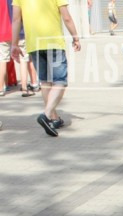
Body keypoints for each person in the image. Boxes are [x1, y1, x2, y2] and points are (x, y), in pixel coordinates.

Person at [11, 0, 82, 136]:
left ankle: (54, 119)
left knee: (45, 82)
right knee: (60, 81)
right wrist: (76, 38)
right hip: (53, 42)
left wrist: (14, 44)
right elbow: (66, 17)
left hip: (34, 43)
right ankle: (47, 114)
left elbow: (16, 19)